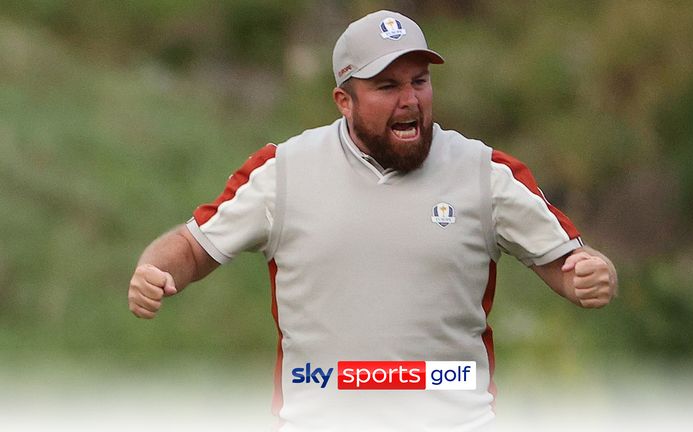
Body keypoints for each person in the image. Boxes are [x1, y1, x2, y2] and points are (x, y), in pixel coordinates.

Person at [128, 9, 617, 431]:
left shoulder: (485, 173)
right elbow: (193, 246)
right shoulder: (283, 172)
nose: (410, 100)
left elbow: (571, 264)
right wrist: (156, 271)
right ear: (345, 101)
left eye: (419, 82)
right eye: (387, 86)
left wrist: (594, 275)